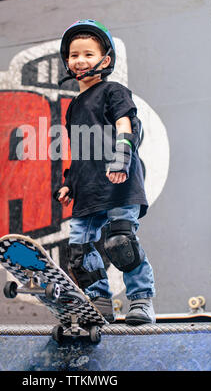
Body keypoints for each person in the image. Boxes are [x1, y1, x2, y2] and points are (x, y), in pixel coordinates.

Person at [56, 19, 156, 324]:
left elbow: (127, 126)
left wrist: (121, 158)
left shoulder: (113, 91)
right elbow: (81, 149)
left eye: (88, 53)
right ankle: (99, 302)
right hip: (88, 187)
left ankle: (141, 301)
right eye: (74, 55)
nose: (80, 60)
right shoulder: (73, 106)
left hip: (120, 182)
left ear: (105, 60)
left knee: (120, 242)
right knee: (79, 249)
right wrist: (70, 183)